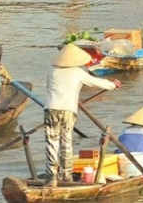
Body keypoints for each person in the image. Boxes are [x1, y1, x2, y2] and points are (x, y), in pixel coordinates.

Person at [44, 45, 119, 183]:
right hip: (67, 109)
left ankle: (51, 176)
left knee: (51, 141)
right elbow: (96, 82)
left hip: (51, 108)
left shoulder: (52, 70)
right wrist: (113, 85)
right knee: (66, 140)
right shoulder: (78, 72)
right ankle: (66, 174)